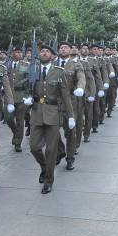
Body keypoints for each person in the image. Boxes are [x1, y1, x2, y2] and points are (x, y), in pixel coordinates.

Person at [25, 45, 75, 194]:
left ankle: (48, 180)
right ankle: (45, 167)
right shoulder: (32, 70)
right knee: (34, 148)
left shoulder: (59, 72)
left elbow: (65, 95)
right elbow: (27, 88)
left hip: (53, 113)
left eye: (47, 51)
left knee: (51, 150)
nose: (44, 53)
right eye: (42, 51)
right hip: (36, 113)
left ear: (52, 56)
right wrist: (28, 98)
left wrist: (71, 116)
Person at [54, 43, 85, 170]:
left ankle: (70, 157)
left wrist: (80, 88)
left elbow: (81, 77)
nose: (63, 49)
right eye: (61, 48)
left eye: (66, 48)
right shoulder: (53, 63)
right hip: (54, 102)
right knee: (52, 131)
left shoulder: (75, 64)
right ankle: (60, 150)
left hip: (70, 103)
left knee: (70, 132)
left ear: (70, 50)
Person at [6, 47, 30, 152]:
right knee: (8, 118)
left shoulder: (26, 65)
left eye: (21, 52)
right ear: (12, 53)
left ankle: (18, 142)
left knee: (20, 120)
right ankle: (16, 133)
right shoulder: (6, 65)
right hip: (9, 96)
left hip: (21, 95)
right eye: (17, 52)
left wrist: (28, 96)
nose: (19, 54)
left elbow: (30, 80)